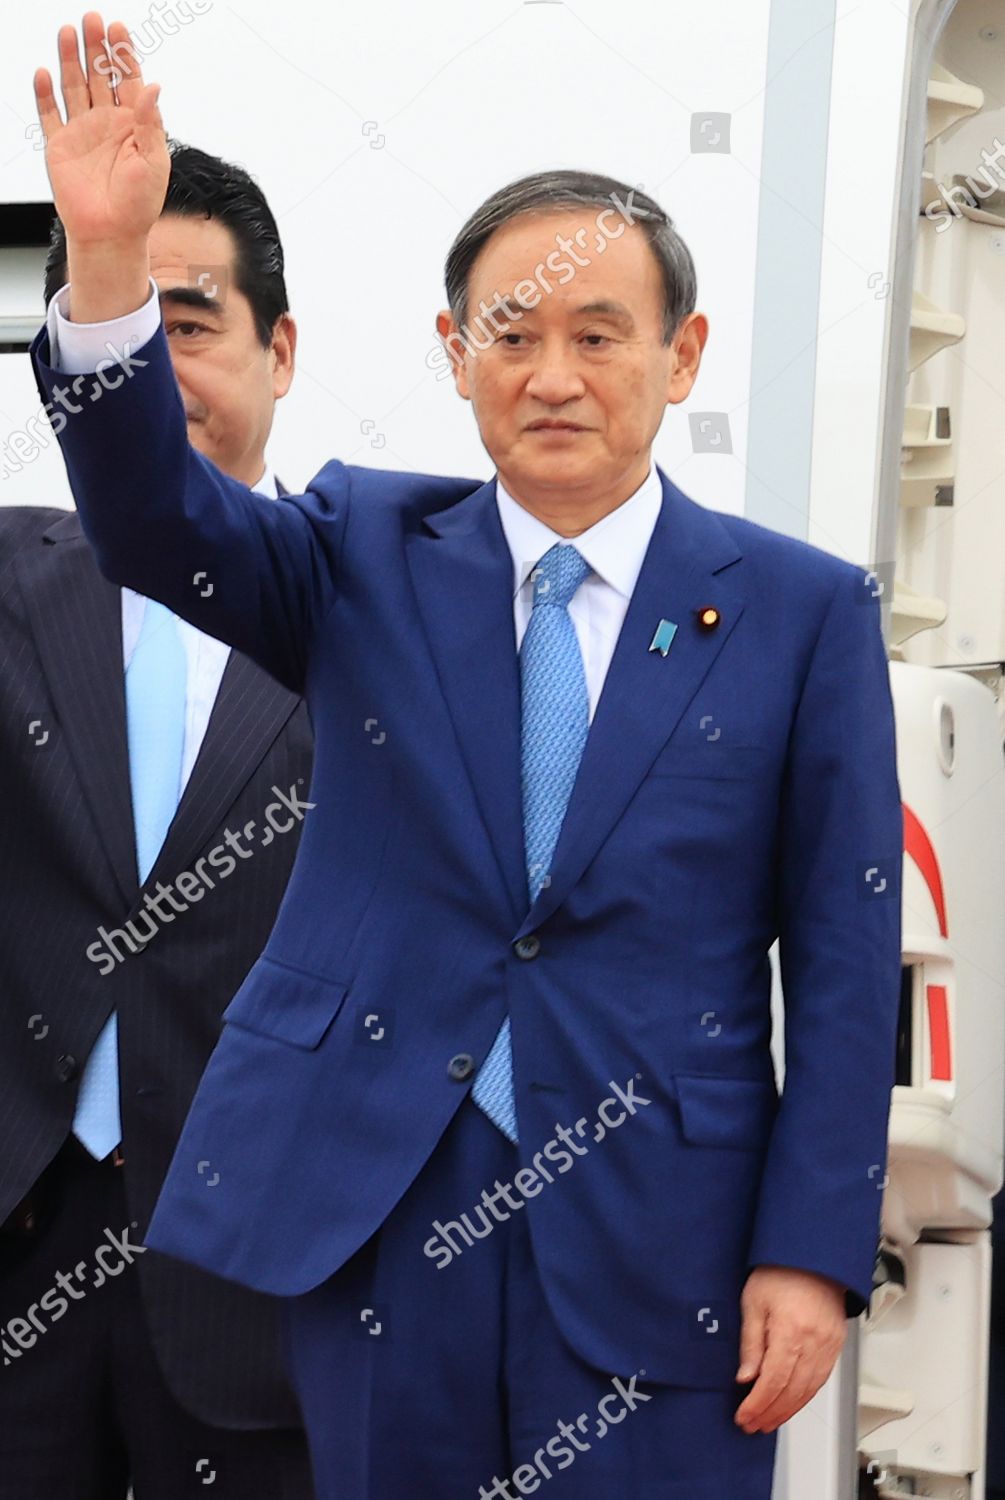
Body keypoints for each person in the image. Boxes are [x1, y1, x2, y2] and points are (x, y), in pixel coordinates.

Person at [29, 16, 904, 1499]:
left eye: (594, 334)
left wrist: (809, 1253)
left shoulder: (801, 612)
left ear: (679, 355)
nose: (550, 374)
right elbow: (153, 523)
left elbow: (838, 956)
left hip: (664, 1226)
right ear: (454, 356)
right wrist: (108, 270)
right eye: (511, 334)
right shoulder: (361, 550)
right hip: (379, 1196)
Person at [0, 130, 315, 1499]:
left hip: (257, 1258)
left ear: (280, 352)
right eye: (121, 321)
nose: (151, 372)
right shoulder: (10, 577)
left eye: (186, 326)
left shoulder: (369, 607)